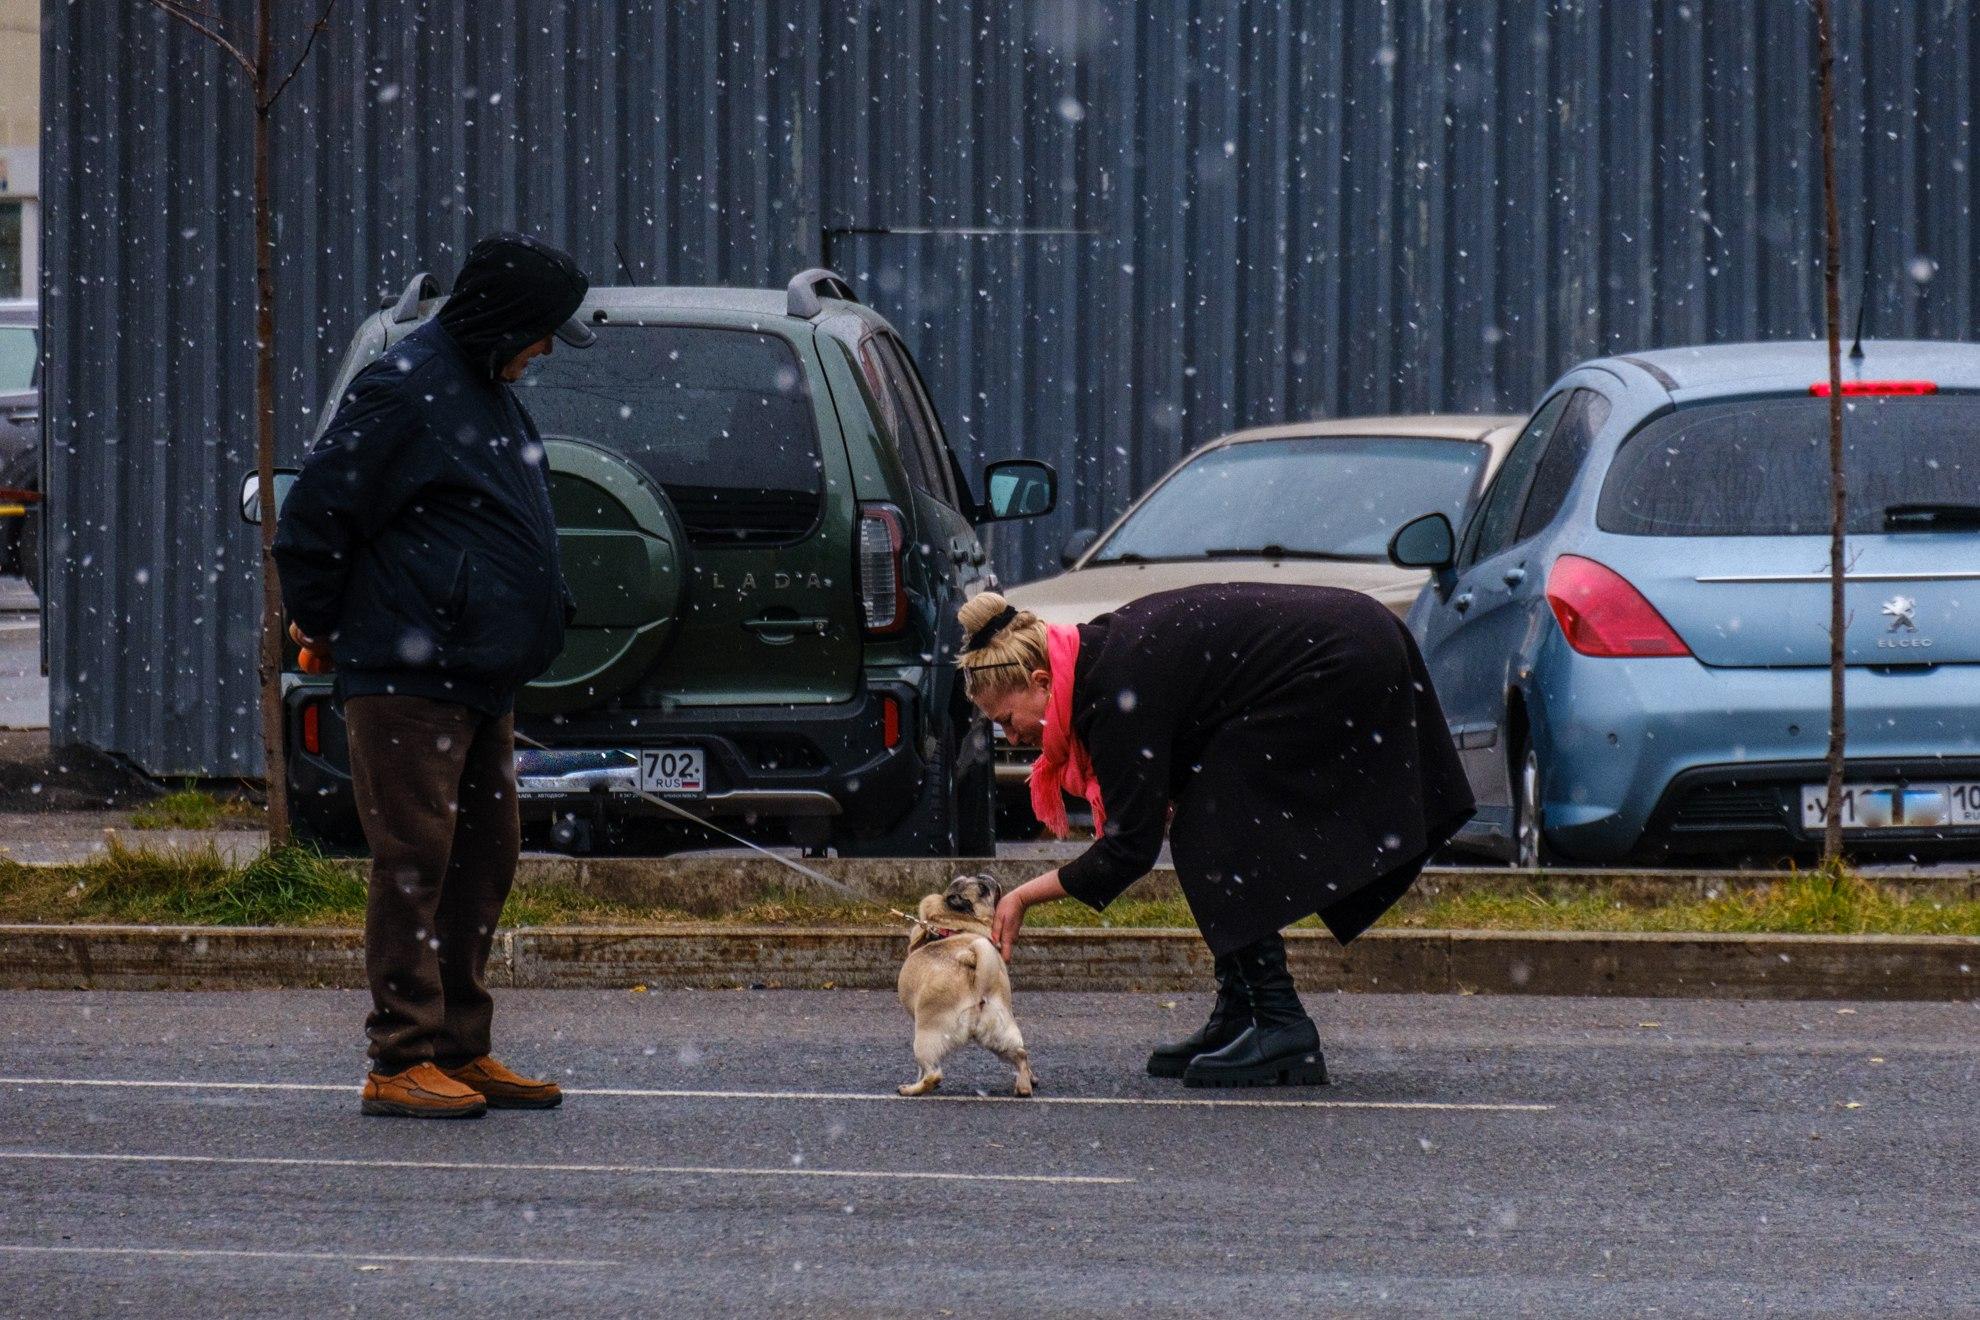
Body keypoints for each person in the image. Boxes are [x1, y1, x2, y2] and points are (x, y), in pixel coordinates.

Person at [273, 232, 593, 1119]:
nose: (545, 353)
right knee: (416, 861)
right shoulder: (405, 387)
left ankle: (459, 1044)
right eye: (541, 334)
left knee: (484, 860)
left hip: (474, 671)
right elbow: (311, 520)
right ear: (503, 324)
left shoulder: (484, 384)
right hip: (408, 672)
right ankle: (401, 1056)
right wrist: (335, 626)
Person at [958, 583, 1474, 1087]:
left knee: (1211, 828)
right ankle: (1243, 1010)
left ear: (1042, 681)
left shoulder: (1113, 690)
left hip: (1342, 659)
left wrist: (1023, 897)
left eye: (1005, 718)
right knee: (1209, 820)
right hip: (1356, 636)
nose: (1011, 736)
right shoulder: (1101, 666)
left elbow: (1128, 849)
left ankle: (1279, 1022)